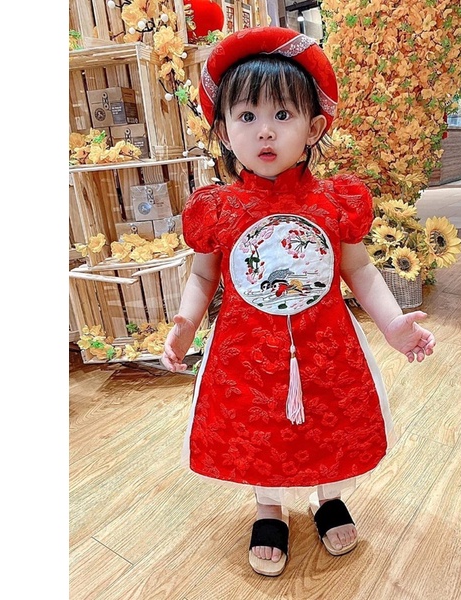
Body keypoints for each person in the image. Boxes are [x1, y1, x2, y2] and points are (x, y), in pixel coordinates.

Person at [161, 26, 435, 577]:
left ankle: (328, 496)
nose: (265, 130)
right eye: (247, 116)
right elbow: (203, 275)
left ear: (314, 128)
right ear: (224, 131)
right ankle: (268, 506)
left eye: (282, 115)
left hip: (325, 345)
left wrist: (392, 325)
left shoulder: (334, 202)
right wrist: (187, 321)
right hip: (246, 351)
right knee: (259, 427)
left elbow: (359, 270)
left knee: (330, 421)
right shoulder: (218, 208)